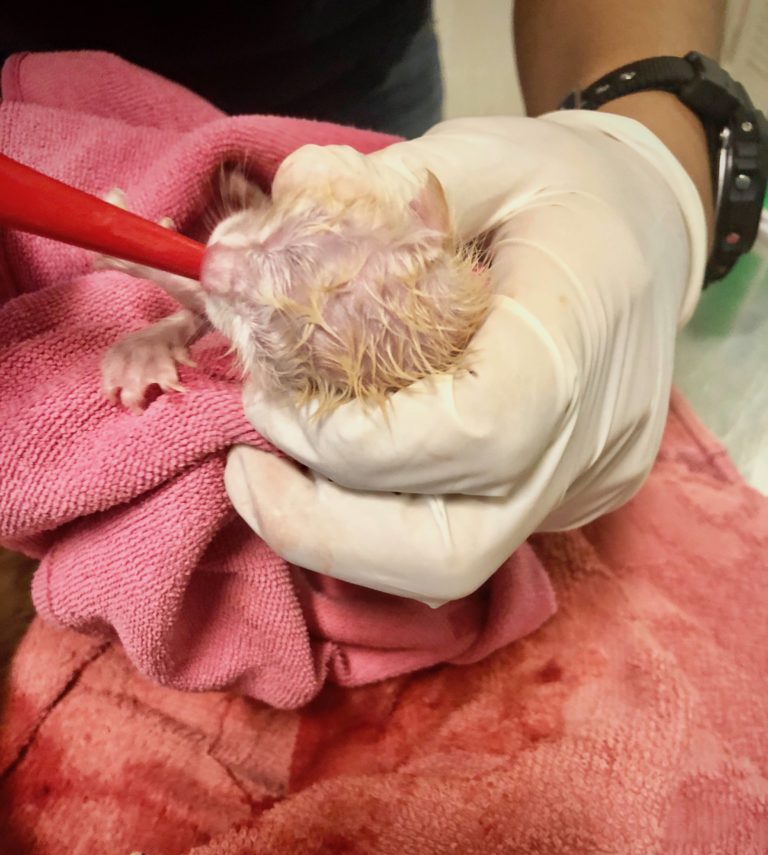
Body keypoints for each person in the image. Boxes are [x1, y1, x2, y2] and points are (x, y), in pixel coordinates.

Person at [1, 2, 739, 603]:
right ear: (424, 221)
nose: (220, 258)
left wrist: (645, 156)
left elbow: (231, 313)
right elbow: (232, 298)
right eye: (287, 234)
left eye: (260, 325)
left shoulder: (339, 358)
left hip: (355, 55)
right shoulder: (390, 255)